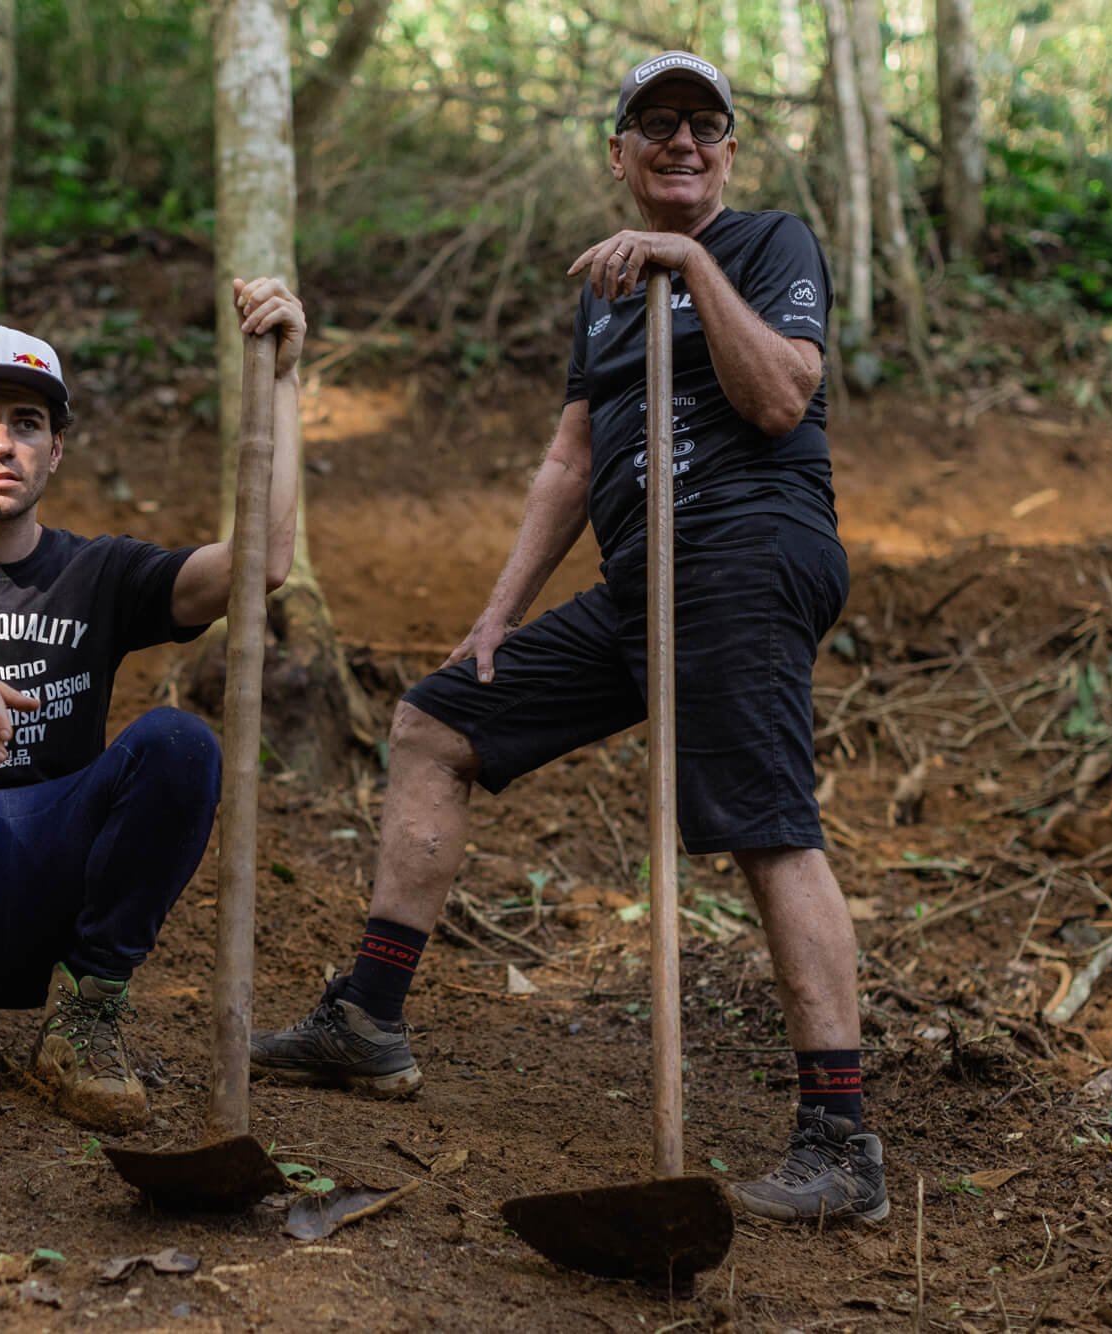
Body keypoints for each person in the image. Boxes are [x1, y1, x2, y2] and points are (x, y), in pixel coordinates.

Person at [250, 51, 885, 1224]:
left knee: (762, 825)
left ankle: (840, 1142)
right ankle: (369, 1020)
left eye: (703, 124)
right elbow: (569, 462)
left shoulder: (768, 246)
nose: (680, 142)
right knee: (438, 720)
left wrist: (689, 264)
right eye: (654, 124)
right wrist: (499, 609)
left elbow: (780, 398)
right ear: (618, 151)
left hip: (743, 557)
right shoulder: (598, 292)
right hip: (641, 579)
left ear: (730, 150)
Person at [0, 278, 306, 1136]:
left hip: (60, 885)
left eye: (27, 424)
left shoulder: (100, 572)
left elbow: (258, 565)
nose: (1, 443)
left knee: (181, 744)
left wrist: (288, 382)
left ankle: (86, 1016)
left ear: (57, 450)